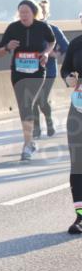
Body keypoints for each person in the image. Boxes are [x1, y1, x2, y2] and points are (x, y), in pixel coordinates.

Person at [0, 0, 56, 161]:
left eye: (26, 12)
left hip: (37, 72)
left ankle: (27, 144)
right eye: (21, 12)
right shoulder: (13, 28)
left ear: (33, 13)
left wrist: (45, 53)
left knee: (27, 103)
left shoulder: (42, 27)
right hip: (18, 73)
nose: (23, 15)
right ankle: (30, 142)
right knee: (23, 107)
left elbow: (52, 41)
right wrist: (8, 47)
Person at [32, 0, 70, 138]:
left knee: (41, 100)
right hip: (30, 71)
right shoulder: (27, 30)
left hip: (49, 71)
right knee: (32, 100)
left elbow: (67, 47)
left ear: (45, 14)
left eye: (40, 12)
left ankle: (48, 122)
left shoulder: (53, 29)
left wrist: (54, 53)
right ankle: (36, 128)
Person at [61, 33, 82, 234]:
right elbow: (65, 69)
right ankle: (81, 216)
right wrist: (68, 78)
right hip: (79, 108)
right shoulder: (77, 43)